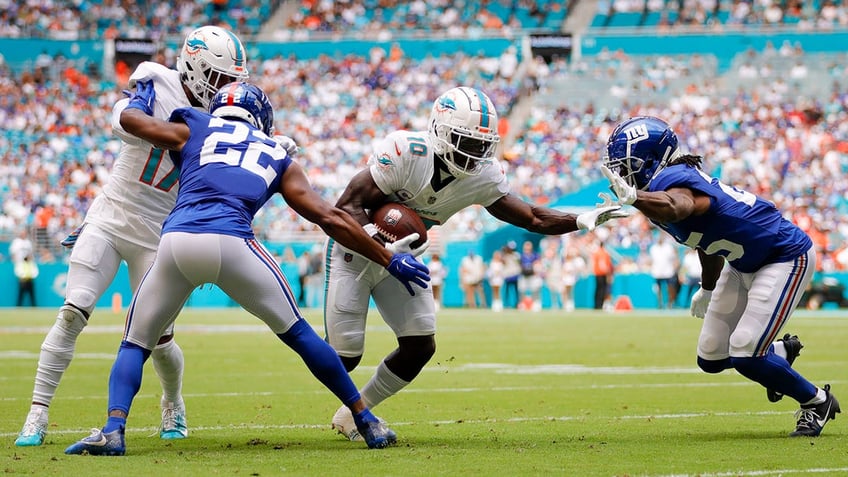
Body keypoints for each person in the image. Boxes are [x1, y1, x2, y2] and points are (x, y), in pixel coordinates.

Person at [64, 80, 429, 456]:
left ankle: (113, 428)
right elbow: (329, 217)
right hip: (233, 242)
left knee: (135, 343)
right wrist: (388, 258)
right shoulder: (276, 152)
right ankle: (365, 418)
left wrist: (139, 99)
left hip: (177, 241)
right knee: (300, 334)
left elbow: (133, 123)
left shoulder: (195, 126)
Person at [324, 86, 626, 441]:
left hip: (406, 259)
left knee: (420, 345)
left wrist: (577, 220)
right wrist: (381, 249)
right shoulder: (407, 151)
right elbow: (346, 207)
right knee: (345, 356)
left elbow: (531, 216)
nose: (473, 154)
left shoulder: (483, 175)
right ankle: (325, 368)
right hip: (356, 251)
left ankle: (354, 414)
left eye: (481, 145)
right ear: (438, 130)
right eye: (465, 142)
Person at [15, 25, 251, 447]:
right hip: (112, 214)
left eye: (231, 80)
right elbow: (123, 118)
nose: (225, 88)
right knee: (73, 311)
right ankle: (37, 411)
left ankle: (173, 401)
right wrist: (184, 133)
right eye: (219, 78)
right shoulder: (156, 80)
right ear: (195, 68)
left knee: (159, 339)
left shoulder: (227, 116)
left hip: (160, 233)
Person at [601, 115, 840, 437]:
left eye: (626, 164)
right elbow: (706, 240)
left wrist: (636, 198)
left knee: (744, 353)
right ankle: (779, 354)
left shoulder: (673, 181)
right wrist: (708, 287)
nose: (620, 173)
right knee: (712, 356)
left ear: (649, 159)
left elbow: (678, 206)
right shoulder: (655, 194)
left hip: (783, 257)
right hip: (741, 263)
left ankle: (816, 400)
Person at [649, 234, 679, 309]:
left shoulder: (668, 247)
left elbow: (674, 258)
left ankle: (670, 303)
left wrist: (675, 268)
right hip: (657, 272)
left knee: (670, 288)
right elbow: (652, 260)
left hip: (668, 271)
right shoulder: (653, 248)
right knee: (658, 289)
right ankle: (659, 304)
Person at [591, 241, 614, 310]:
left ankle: (596, 305)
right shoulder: (604, 253)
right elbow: (603, 265)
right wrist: (608, 273)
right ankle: (600, 305)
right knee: (602, 290)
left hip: (597, 273)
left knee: (597, 289)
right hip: (602, 274)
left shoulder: (596, 253)